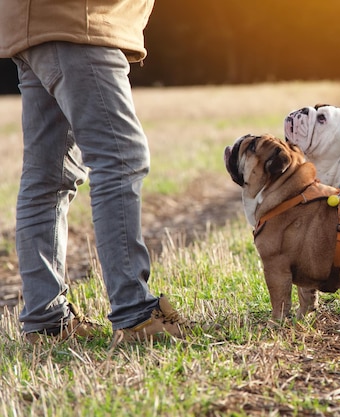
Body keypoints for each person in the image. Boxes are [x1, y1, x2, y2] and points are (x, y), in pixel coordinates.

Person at [0, 0, 195, 344]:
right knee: (121, 158)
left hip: (37, 24)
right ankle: (135, 312)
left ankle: (47, 322)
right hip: (78, 20)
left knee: (48, 177)